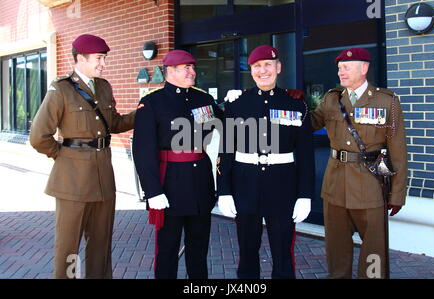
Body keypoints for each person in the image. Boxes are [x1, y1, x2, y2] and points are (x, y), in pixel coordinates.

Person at [29, 34, 135, 279]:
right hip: (72, 182)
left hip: (103, 180)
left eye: (104, 58)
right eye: (99, 58)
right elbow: (38, 136)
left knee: (101, 244)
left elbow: (114, 123)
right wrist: (63, 156)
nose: (103, 64)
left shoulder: (104, 86)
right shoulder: (61, 88)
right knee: (69, 248)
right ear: (80, 58)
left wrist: (141, 113)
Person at [216, 45, 314, 279]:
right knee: (247, 249)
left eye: (268, 65)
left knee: (283, 251)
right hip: (245, 183)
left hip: (282, 185)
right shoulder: (236, 104)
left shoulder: (295, 104)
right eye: (257, 66)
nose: (263, 71)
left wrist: (305, 195)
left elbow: (305, 154)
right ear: (251, 71)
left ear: (278, 67)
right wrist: (225, 190)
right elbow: (226, 150)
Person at [311, 47, 407, 279]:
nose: (340, 72)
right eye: (339, 68)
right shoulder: (332, 98)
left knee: (374, 248)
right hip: (335, 184)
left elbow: (398, 151)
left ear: (364, 68)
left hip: (370, 184)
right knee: (336, 246)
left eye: (346, 67)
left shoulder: (387, 102)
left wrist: (397, 194)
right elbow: (309, 124)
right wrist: (293, 105)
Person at [132, 49, 222, 279]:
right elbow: (143, 151)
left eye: (193, 67)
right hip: (169, 184)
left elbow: (230, 124)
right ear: (170, 71)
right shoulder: (152, 102)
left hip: (200, 182)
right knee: (167, 250)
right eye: (186, 68)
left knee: (199, 249)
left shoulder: (204, 99)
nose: (193, 72)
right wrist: (152, 191)